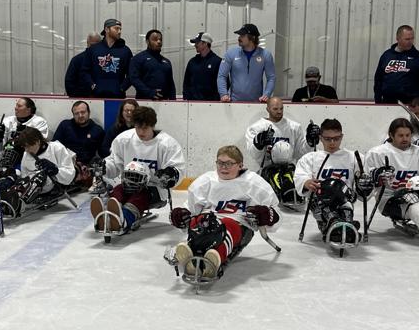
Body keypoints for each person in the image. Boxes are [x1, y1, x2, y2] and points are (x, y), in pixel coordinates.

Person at [168, 145, 279, 277]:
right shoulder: (206, 181)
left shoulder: (254, 183)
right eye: (220, 163)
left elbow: (275, 211)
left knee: (226, 226)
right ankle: (191, 250)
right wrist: (180, 215)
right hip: (209, 220)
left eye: (229, 164)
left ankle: (213, 259)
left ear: (240, 165)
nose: (223, 167)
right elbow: (191, 209)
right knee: (199, 221)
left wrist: (268, 214)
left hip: (238, 224)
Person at [90, 106, 185, 234]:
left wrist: (171, 174)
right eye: (137, 127)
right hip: (128, 184)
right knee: (118, 191)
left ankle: (123, 219)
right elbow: (114, 162)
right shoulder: (124, 139)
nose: (140, 132)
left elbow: (178, 167)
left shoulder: (167, 144)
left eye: (145, 128)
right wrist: (103, 167)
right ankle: (108, 215)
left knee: (139, 196)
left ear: (152, 126)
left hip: (153, 189)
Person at [294, 119, 367, 243]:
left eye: (336, 138)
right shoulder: (311, 157)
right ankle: (337, 223)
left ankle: (343, 224)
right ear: (321, 138)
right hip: (320, 203)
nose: (332, 143)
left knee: (340, 189)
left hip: (345, 200)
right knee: (329, 186)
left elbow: (365, 180)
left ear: (342, 137)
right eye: (328, 139)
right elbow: (300, 176)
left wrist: (364, 183)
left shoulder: (353, 157)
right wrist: (306, 182)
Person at [0, 127, 77, 218]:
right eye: (24, 147)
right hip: (34, 187)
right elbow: (25, 175)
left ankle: (18, 205)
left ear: (38, 141)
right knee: (11, 178)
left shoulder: (56, 148)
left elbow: (70, 174)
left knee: (40, 175)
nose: (26, 150)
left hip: (53, 185)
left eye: (28, 146)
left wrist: (55, 170)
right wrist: (11, 178)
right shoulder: (26, 154)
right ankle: (6, 200)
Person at [245, 97, 308, 205]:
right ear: (268, 109)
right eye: (275, 109)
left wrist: (310, 142)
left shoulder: (294, 127)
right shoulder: (257, 127)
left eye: (281, 108)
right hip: (267, 169)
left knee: (291, 188)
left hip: (288, 169)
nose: (279, 111)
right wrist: (258, 144)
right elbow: (254, 154)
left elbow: (301, 153)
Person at [52, 101, 106, 189]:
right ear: (73, 115)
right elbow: (54, 146)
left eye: (83, 112)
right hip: (65, 163)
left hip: (86, 167)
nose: (80, 115)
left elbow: (103, 153)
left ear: (89, 112)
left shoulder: (97, 130)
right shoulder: (65, 125)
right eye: (76, 113)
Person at [217, 23, 276, 102]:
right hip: (234, 102)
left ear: (252, 38)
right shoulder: (230, 53)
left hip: (256, 102)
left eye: (242, 35)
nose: (239, 38)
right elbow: (222, 76)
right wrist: (223, 94)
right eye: (239, 35)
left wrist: (267, 94)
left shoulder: (265, 55)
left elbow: (271, 77)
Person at [373, 25, 419, 104]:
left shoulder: (418, 57)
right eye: (407, 39)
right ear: (398, 39)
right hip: (387, 102)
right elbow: (378, 79)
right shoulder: (387, 55)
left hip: (410, 104)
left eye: (412, 38)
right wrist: (378, 100)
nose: (410, 41)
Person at [80, 19, 133, 98]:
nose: (119, 32)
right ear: (106, 29)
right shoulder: (93, 49)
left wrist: (122, 88)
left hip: (118, 96)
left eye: (120, 29)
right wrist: (92, 85)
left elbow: (132, 73)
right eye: (116, 28)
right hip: (96, 96)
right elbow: (84, 71)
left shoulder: (125, 51)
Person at [129, 29, 176, 100]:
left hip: (164, 102)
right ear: (147, 41)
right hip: (144, 100)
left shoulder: (166, 62)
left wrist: (173, 100)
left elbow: (170, 83)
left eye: (160, 39)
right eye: (155, 39)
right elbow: (134, 79)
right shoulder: (138, 58)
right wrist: (149, 92)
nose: (159, 41)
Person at [183, 32, 222, 101]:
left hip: (211, 105)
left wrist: (215, 100)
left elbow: (223, 83)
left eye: (197, 43)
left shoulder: (217, 62)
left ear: (205, 43)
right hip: (192, 104)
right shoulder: (192, 62)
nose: (195, 45)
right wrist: (187, 97)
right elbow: (186, 83)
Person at [65, 32, 101, 97]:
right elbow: (69, 83)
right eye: (92, 45)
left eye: (97, 45)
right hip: (82, 98)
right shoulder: (77, 60)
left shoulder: (104, 61)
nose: (94, 48)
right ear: (87, 43)